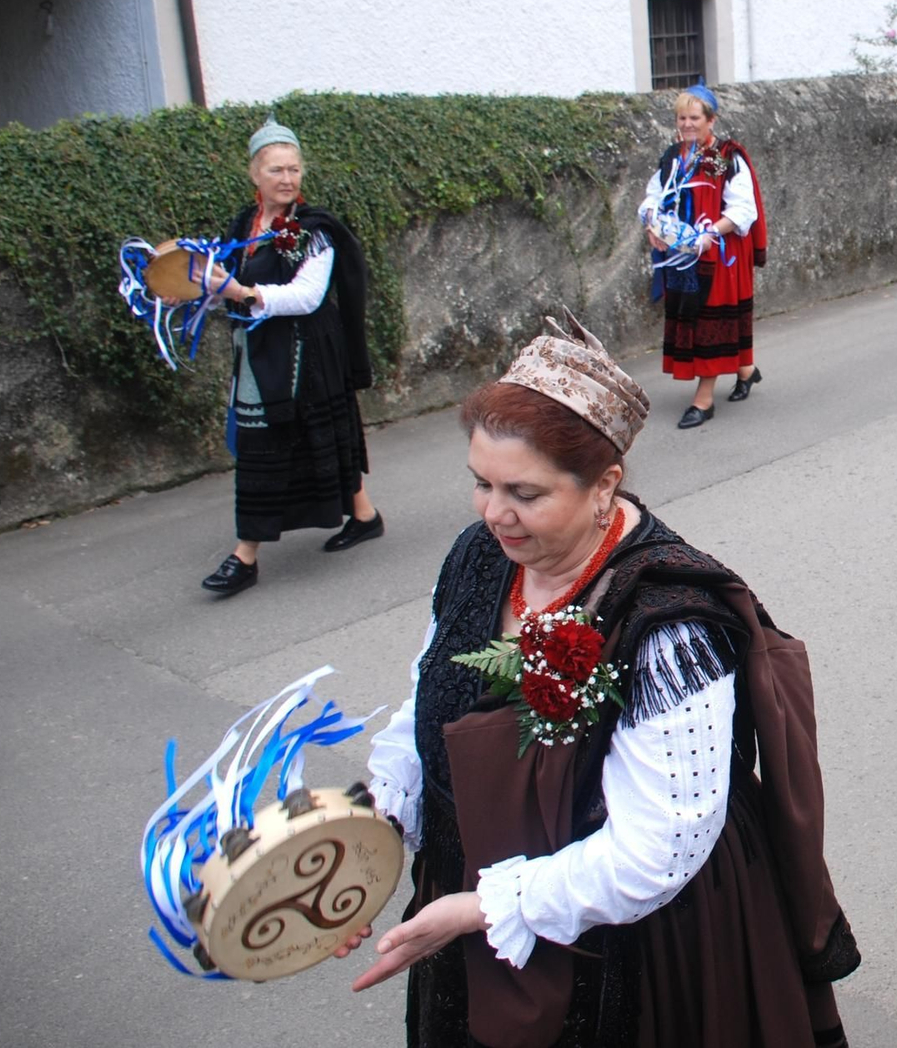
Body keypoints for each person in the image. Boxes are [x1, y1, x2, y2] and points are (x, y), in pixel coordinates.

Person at [348, 319, 860, 1045]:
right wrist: (372, 827)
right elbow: (428, 698)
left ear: (604, 486)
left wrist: (483, 908)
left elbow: (660, 849)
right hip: (476, 899)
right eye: (481, 482)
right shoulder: (479, 555)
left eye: (523, 491)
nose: (495, 512)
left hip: (632, 943)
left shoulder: (668, 624)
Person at [199, 119, 383, 598]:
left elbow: (306, 296)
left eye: (294, 169)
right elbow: (227, 288)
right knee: (304, 440)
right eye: (276, 169)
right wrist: (203, 291)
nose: (287, 178)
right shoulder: (244, 225)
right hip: (261, 354)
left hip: (309, 353)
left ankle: (245, 556)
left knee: (289, 442)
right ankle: (365, 516)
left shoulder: (314, 230)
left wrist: (242, 290)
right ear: (255, 174)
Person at [639, 85, 766, 430]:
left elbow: (743, 209)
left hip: (719, 253)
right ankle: (746, 371)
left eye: (695, 117)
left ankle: (704, 400)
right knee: (695, 320)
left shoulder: (728, 156)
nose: (687, 124)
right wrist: (652, 225)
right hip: (683, 256)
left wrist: (711, 234)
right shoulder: (672, 156)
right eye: (682, 117)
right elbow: (653, 197)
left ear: (711, 120)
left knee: (709, 322)